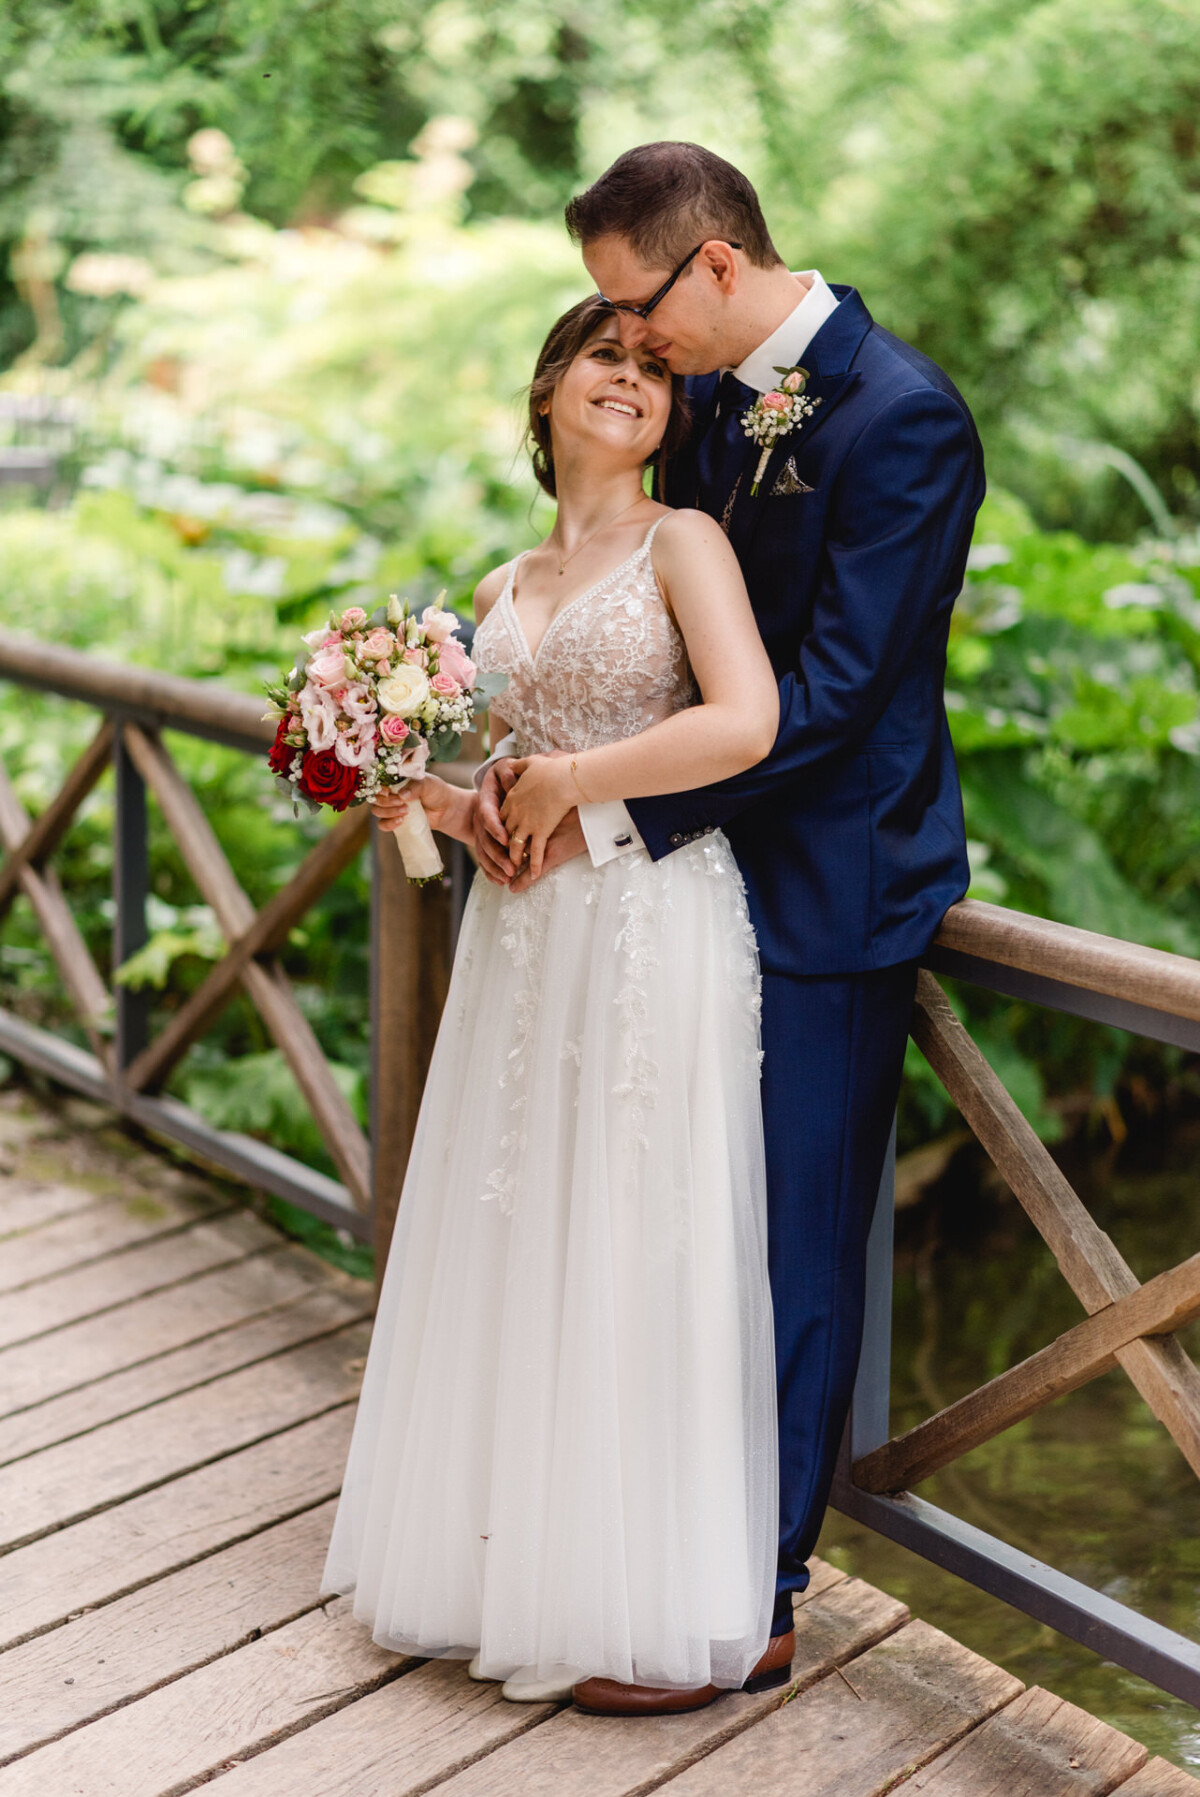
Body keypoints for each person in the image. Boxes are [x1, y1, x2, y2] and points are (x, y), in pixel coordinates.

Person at [474, 143, 985, 1714]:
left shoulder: (905, 419)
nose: (626, 338)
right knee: (676, 1232)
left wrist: (609, 809)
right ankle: (634, 1548)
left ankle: (753, 1600)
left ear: (707, 267)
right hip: (677, 901)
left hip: (831, 893)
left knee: (792, 1248)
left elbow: (832, 699)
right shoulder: (706, 392)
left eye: (634, 302)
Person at [322, 296, 790, 1715]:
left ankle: (640, 1601)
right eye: (607, 357)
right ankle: (505, 1564)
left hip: (650, 919)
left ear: (674, 414)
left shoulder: (684, 543)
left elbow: (748, 718)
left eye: (655, 368)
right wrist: (442, 801)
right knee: (522, 1221)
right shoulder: (498, 583)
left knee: (634, 1226)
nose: (632, 380)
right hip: (526, 935)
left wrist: (579, 787)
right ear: (548, 392)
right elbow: (511, 778)